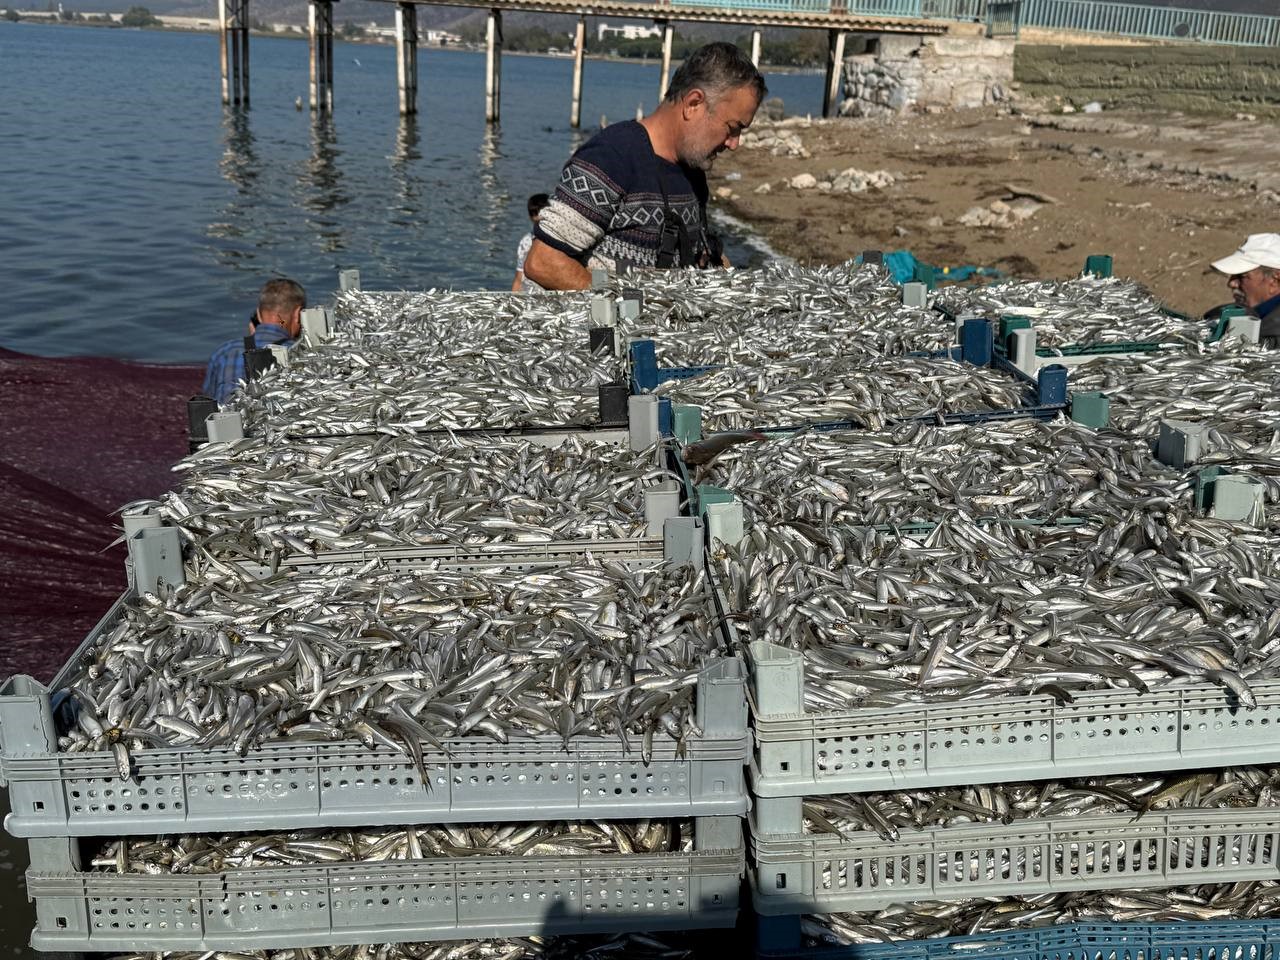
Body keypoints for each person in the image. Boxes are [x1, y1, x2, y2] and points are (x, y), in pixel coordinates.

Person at [524, 42, 766, 291]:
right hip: (607, 329)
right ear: (694, 103)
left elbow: (696, 255)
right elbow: (543, 262)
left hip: (668, 328)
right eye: (733, 127)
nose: (734, 143)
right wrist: (628, 300)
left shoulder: (692, 169)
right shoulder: (612, 157)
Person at [202, 278, 306, 404]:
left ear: (258, 313)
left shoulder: (224, 351)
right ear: (298, 314)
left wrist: (252, 343)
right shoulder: (301, 354)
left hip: (225, 421)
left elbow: (208, 398)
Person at [1210, 233, 1280, 342]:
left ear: (1274, 280)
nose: (1231, 283)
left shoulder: (1272, 339)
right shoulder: (1258, 317)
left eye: (1242, 276)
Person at [512, 193, 551, 292]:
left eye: (538, 212)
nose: (535, 217)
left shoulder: (560, 238)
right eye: (532, 213)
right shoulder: (526, 241)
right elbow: (519, 277)